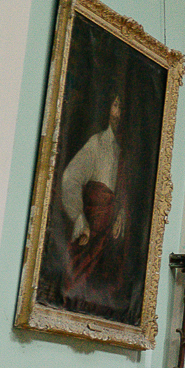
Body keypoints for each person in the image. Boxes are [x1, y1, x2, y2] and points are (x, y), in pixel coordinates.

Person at [58, 91, 135, 314]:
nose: (118, 113)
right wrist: (80, 219)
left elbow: (121, 195)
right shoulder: (97, 143)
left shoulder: (122, 153)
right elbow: (70, 179)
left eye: (122, 108)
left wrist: (120, 212)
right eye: (115, 106)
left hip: (109, 237)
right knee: (78, 290)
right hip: (90, 233)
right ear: (107, 109)